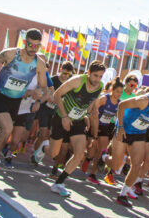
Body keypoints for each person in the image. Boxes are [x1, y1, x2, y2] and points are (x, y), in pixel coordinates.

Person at [0, 29, 48, 179]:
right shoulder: (11, 54)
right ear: (25, 42)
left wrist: (39, 93)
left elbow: (43, 85)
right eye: (30, 44)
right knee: (7, 127)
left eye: (36, 46)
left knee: (5, 133)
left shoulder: (39, 64)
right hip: (1, 95)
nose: (32, 48)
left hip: (16, 100)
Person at [46, 60, 105, 196]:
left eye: (100, 76)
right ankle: (43, 147)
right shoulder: (77, 81)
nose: (97, 80)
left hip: (78, 120)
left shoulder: (99, 86)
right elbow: (57, 95)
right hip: (62, 117)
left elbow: (91, 102)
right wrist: (65, 117)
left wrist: (87, 115)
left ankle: (59, 183)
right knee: (53, 153)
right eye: (95, 76)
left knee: (79, 154)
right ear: (88, 73)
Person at [86, 77, 124, 184]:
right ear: (112, 89)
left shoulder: (119, 103)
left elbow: (119, 116)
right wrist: (93, 118)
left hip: (106, 127)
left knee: (100, 150)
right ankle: (87, 159)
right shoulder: (104, 98)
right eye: (117, 91)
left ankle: (92, 174)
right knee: (91, 149)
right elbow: (94, 106)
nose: (119, 94)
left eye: (121, 92)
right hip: (95, 123)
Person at [32, 62, 72, 165]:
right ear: (60, 69)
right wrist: (49, 97)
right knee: (43, 133)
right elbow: (45, 91)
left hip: (55, 112)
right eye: (64, 72)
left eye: (67, 74)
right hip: (45, 109)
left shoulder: (69, 84)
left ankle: (36, 153)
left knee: (45, 135)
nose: (65, 75)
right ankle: (35, 154)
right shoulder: (53, 80)